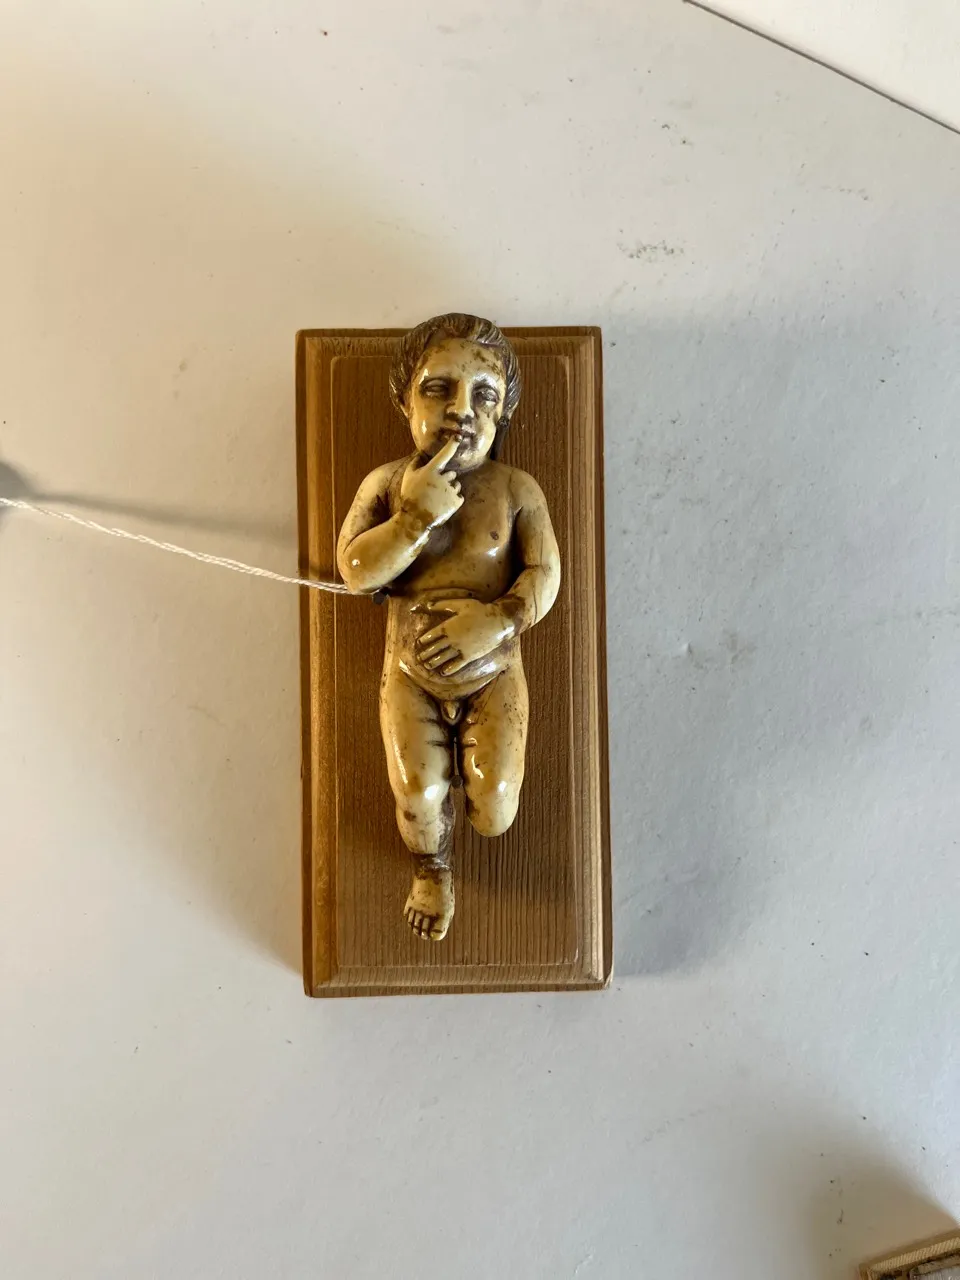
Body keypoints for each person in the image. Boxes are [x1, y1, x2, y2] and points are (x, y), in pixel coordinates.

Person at [336, 314, 561, 941]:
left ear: (503, 414)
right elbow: (354, 570)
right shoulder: (388, 485)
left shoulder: (516, 490)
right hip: (409, 676)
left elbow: (545, 573)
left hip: (494, 671)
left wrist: (498, 621)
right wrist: (413, 521)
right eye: (439, 388)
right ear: (405, 401)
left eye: (483, 396)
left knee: (496, 809)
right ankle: (431, 869)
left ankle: (473, 795)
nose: (461, 410)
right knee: (417, 791)